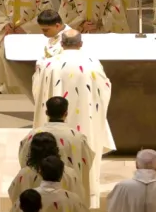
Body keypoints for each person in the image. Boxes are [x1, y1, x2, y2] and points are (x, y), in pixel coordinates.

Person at [31, 30, 114, 168]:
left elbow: (38, 90)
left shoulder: (49, 65)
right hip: (86, 119)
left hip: (55, 124)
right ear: (81, 43)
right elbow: (105, 88)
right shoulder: (92, 63)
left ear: (62, 44)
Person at [23, 96, 97, 206]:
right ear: (66, 113)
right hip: (69, 190)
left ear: (47, 112)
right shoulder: (77, 137)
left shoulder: (33, 135)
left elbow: (24, 159)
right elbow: (86, 162)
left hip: (37, 192)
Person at [0, 0, 53, 93]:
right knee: (4, 53)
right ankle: (7, 86)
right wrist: (5, 25)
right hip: (9, 31)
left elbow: (46, 12)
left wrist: (26, 28)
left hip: (29, 33)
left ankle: (27, 86)